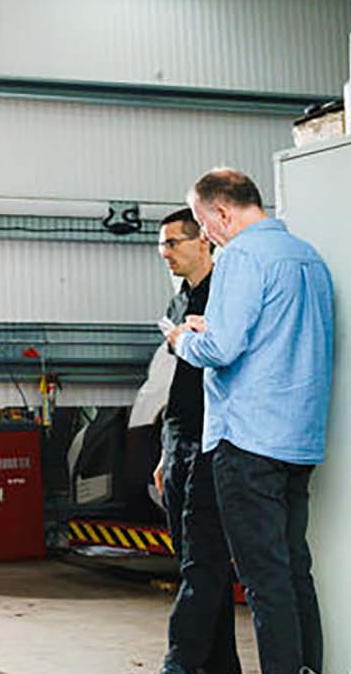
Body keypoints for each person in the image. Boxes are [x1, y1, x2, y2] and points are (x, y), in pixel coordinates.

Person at [168, 168, 334, 674]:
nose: (207, 236)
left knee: (264, 580)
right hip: (298, 438)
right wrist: (211, 326)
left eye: (202, 223)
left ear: (221, 212)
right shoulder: (306, 256)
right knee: (293, 572)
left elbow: (221, 349)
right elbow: (278, 337)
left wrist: (182, 340)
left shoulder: (242, 255)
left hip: (248, 441)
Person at [154, 209, 241, 674]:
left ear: (203, 241)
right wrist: (164, 452)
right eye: (162, 245)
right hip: (179, 439)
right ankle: (220, 666)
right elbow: (177, 382)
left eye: (174, 243)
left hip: (212, 441)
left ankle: (180, 663)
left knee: (203, 559)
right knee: (194, 559)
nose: (165, 253)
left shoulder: (226, 295)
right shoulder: (178, 302)